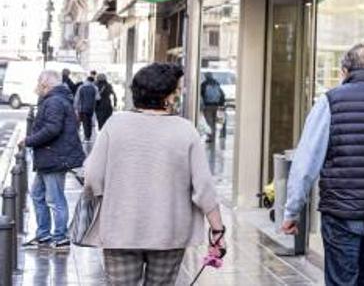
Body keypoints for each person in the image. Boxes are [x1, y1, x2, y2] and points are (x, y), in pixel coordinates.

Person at [281, 44, 364, 286]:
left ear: (345, 71)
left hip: (341, 214)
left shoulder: (330, 102)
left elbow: (306, 162)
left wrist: (292, 211)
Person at [83, 62, 226, 284]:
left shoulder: (114, 126)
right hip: (168, 231)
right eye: (176, 91)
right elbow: (204, 188)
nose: (178, 95)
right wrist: (217, 231)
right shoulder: (185, 130)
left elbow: (92, 176)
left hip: (120, 229)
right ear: (166, 97)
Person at [19, 70, 85, 249]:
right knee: (38, 195)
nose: (37, 85)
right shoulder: (55, 99)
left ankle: (60, 237)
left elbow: (52, 129)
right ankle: (43, 235)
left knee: (55, 199)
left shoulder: (54, 101)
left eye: (39, 81)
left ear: (45, 83)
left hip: (54, 156)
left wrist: (29, 141)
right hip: (49, 156)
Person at [200, 73, 225, 143]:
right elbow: (222, 94)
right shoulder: (216, 83)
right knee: (215, 122)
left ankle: (211, 137)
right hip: (217, 105)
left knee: (209, 122)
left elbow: (201, 94)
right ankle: (214, 136)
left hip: (208, 106)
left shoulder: (204, 84)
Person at [75, 73, 98, 141]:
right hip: (91, 108)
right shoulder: (95, 88)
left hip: (82, 107)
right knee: (89, 121)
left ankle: (86, 136)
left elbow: (77, 98)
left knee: (85, 122)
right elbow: (98, 98)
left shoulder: (81, 87)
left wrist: (75, 107)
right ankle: (88, 135)